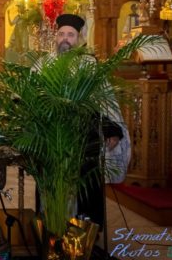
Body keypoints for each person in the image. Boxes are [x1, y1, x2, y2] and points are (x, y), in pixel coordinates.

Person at [53, 14, 131, 227]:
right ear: (56, 37)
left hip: (86, 138)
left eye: (71, 34)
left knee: (87, 187)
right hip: (53, 137)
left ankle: (88, 233)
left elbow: (104, 102)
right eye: (61, 34)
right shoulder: (44, 64)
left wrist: (111, 129)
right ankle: (54, 229)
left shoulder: (89, 64)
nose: (65, 39)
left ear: (79, 39)